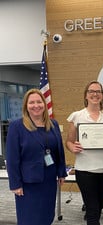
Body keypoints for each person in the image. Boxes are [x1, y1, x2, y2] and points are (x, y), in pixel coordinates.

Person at [6, 88, 67, 225]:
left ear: (44, 105)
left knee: (46, 216)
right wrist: (15, 184)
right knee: (30, 218)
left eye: (39, 102)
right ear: (26, 106)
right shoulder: (17, 127)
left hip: (49, 180)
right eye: (31, 102)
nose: (36, 105)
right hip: (28, 183)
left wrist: (61, 172)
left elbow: (59, 151)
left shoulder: (53, 124)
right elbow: (12, 158)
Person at [66, 80, 103, 225]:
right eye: (91, 91)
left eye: (98, 91)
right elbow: (69, 142)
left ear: (102, 95)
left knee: (99, 205)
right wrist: (73, 148)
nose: (95, 94)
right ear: (86, 95)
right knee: (92, 210)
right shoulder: (76, 116)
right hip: (85, 171)